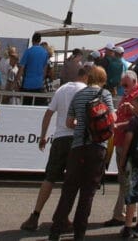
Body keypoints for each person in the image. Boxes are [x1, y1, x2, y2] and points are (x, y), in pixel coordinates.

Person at [48, 65, 115, 241]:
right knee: (87, 193)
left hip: (77, 146)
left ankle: (55, 230)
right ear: (102, 79)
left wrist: (82, 124)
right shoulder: (105, 94)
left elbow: (69, 122)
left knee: (69, 190)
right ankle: (79, 233)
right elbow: (112, 119)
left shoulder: (78, 95)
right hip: (97, 146)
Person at [21, 68, 87, 233]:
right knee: (71, 181)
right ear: (86, 77)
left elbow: (48, 113)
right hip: (76, 139)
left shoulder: (62, 89)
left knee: (49, 178)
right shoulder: (85, 91)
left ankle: (35, 215)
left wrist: (43, 136)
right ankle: (62, 217)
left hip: (59, 138)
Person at [107, 71, 138, 236]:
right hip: (122, 141)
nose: (123, 87)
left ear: (134, 82)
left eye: (125, 85)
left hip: (130, 145)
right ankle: (125, 215)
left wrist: (122, 122)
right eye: (122, 85)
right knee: (126, 182)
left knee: (127, 182)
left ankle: (122, 216)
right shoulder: (131, 93)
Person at [21, 32, 51, 101]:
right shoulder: (45, 53)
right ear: (40, 41)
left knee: (26, 105)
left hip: (27, 84)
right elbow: (45, 71)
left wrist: (16, 82)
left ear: (32, 40)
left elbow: (21, 68)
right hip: (39, 84)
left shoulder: (28, 51)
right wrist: (41, 80)